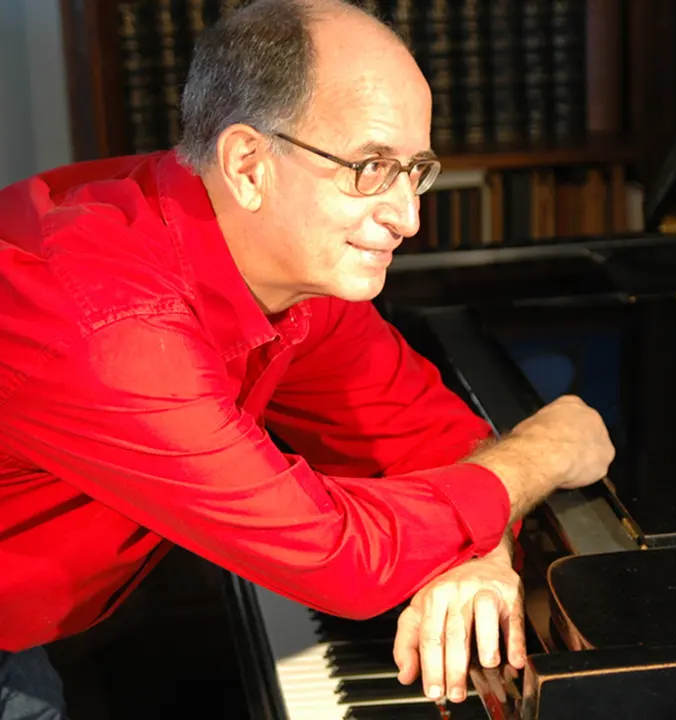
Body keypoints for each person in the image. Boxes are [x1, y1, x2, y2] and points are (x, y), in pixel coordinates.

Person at [0, 0, 615, 716]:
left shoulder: (285, 267)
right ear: (248, 166)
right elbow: (338, 556)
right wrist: (544, 451)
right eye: (371, 166)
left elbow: (428, 439)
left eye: (415, 170)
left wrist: (478, 555)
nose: (408, 217)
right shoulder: (114, 326)